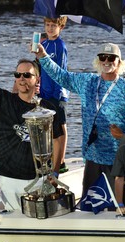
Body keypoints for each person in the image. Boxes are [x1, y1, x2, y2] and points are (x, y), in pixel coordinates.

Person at [0, 35, 63, 210]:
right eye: (18, 75)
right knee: (15, 223)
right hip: (9, 177)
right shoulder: (3, 100)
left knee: (39, 223)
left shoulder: (49, 107)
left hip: (39, 178)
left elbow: (58, 140)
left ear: (37, 79)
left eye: (27, 75)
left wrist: (54, 173)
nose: (22, 79)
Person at [34, 42, 125, 199]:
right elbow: (61, 76)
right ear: (98, 60)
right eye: (102, 57)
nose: (106, 61)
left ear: (119, 62)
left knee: (117, 206)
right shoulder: (87, 82)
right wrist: (43, 56)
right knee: (90, 205)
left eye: (111, 58)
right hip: (92, 156)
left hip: (118, 158)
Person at [39, 16, 70, 173]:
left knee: (60, 127)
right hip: (44, 92)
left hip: (58, 92)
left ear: (61, 27)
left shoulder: (60, 45)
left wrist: (59, 93)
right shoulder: (43, 44)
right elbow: (39, 69)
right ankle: (52, 159)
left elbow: (61, 71)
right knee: (49, 129)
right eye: (48, 25)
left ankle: (61, 161)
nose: (50, 28)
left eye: (54, 25)